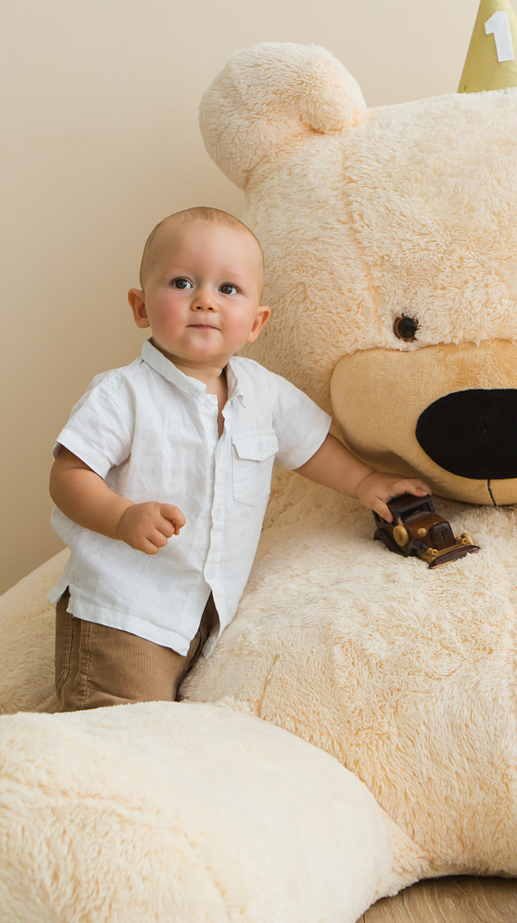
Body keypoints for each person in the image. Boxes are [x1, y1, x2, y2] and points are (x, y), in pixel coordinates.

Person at [47, 207, 428, 709]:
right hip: (125, 612)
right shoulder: (123, 394)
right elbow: (68, 474)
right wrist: (121, 517)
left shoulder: (262, 392)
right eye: (182, 283)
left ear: (255, 322)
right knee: (122, 724)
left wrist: (364, 482)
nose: (204, 300)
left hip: (207, 610)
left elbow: (309, 445)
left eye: (228, 289)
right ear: (141, 307)